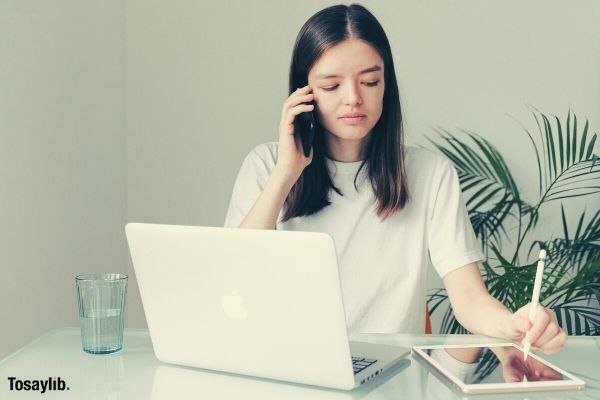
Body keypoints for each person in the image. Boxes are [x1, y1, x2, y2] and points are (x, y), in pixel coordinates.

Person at [224, 4, 566, 354]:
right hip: (288, 366)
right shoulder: (266, 166)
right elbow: (234, 278)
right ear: (303, 95)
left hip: (392, 375)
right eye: (331, 86)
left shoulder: (430, 174)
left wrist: (516, 325)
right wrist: (286, 173)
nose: (353, 98)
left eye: (370, 81)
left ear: (386, 85)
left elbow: (469, 300)